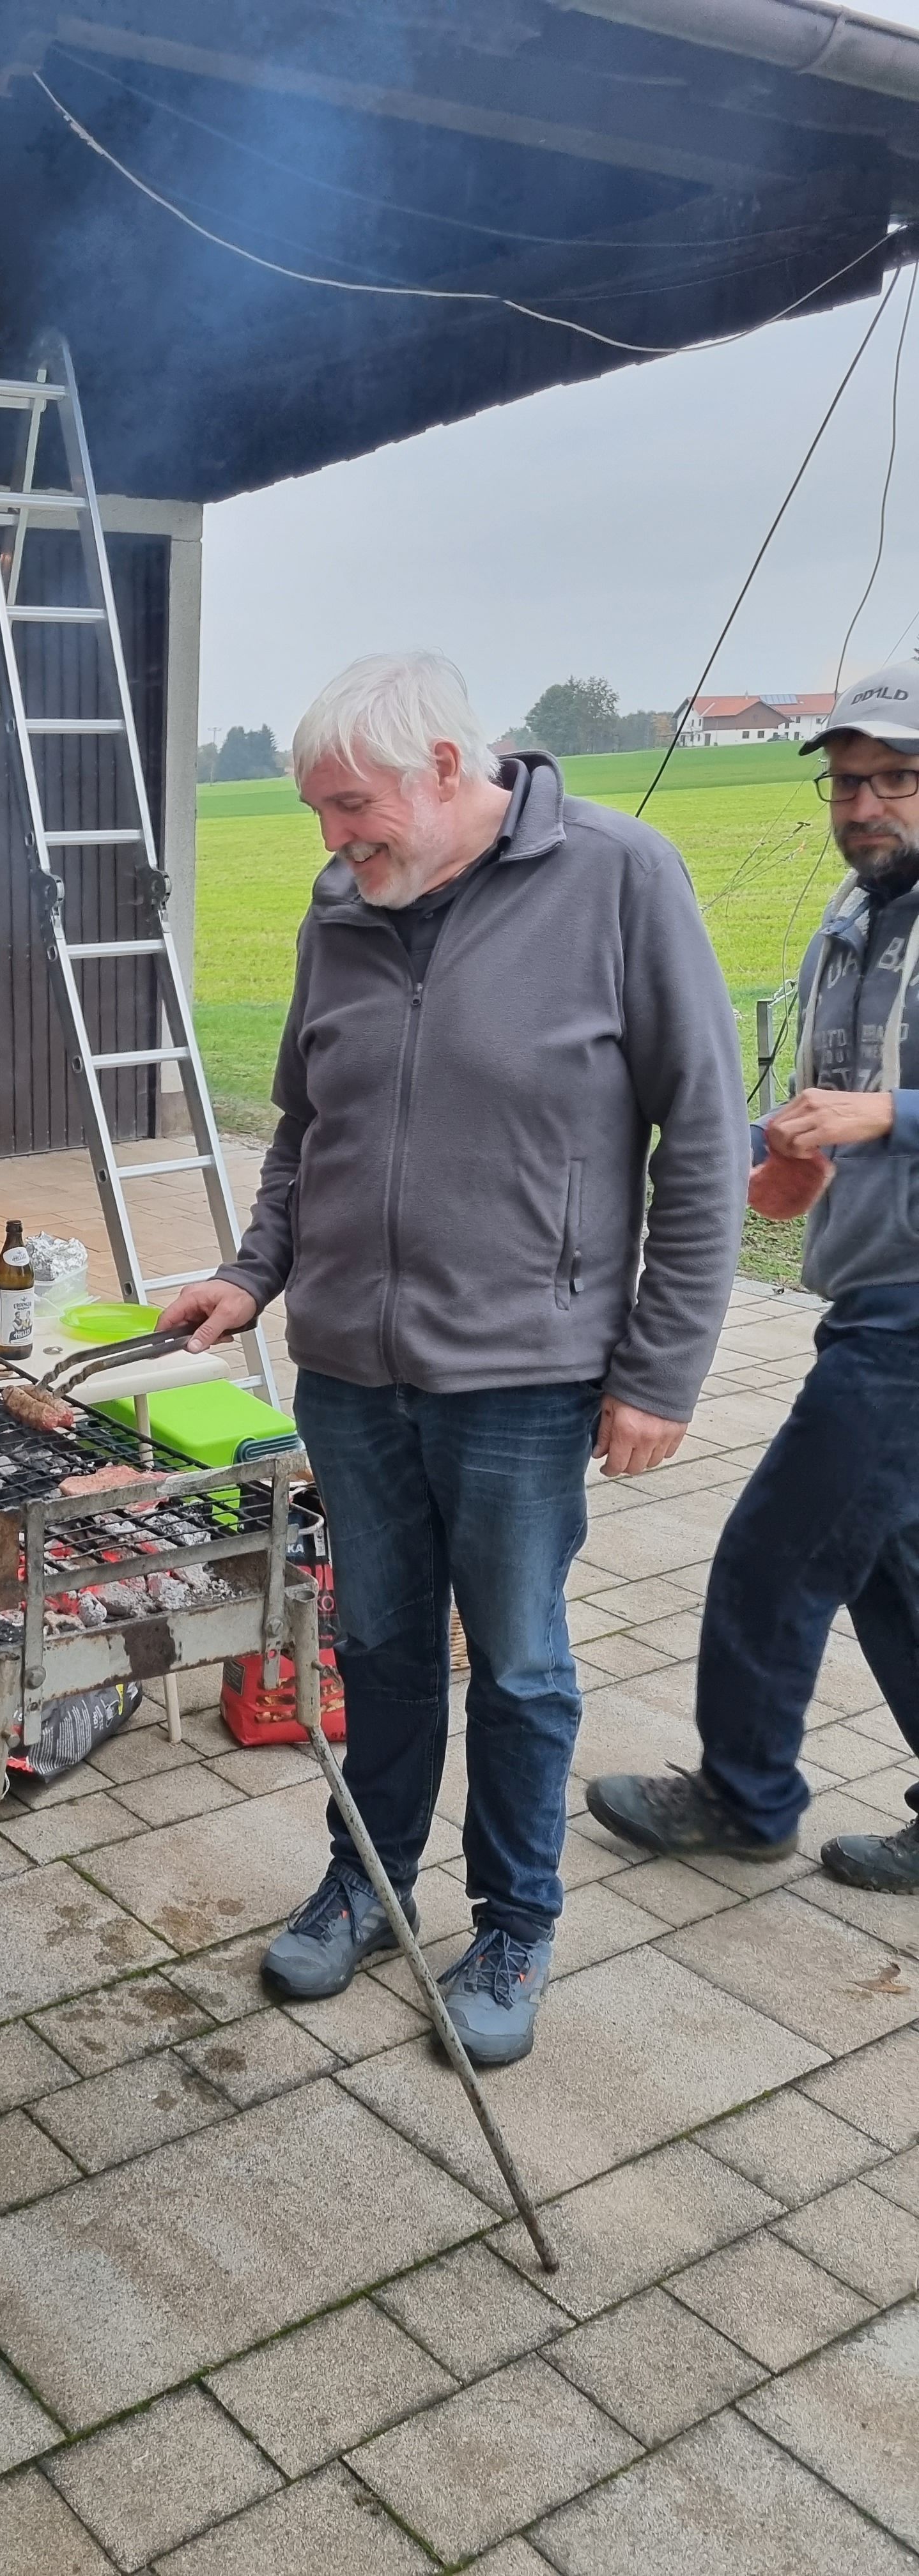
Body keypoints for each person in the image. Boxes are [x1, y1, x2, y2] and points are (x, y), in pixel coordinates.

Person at [158, 653, 747, 2067]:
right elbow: (305, 1124)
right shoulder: (340, 906)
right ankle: (367, 1882)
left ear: (441, 768)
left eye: (348, 806)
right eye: (316, 813)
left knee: (521, 1664)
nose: (330, 839)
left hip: (522, 1377)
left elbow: (705, 1135)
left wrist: (661, 1368)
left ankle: (514, 1924)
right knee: (376, 1645)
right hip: (350, 1368)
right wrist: (252, 1270)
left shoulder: (618, 878)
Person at [588, 665, 919, 1894]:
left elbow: (875, 1106)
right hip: (866, 1288)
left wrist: (887, 1113)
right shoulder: (851, 918)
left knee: (773, 1553)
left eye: (894, 778)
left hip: (909, 1323)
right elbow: (817, 1112)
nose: (862, 804)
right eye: (845, 782)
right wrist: (767, 1151)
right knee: (886, 1566)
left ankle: (741, 1796)